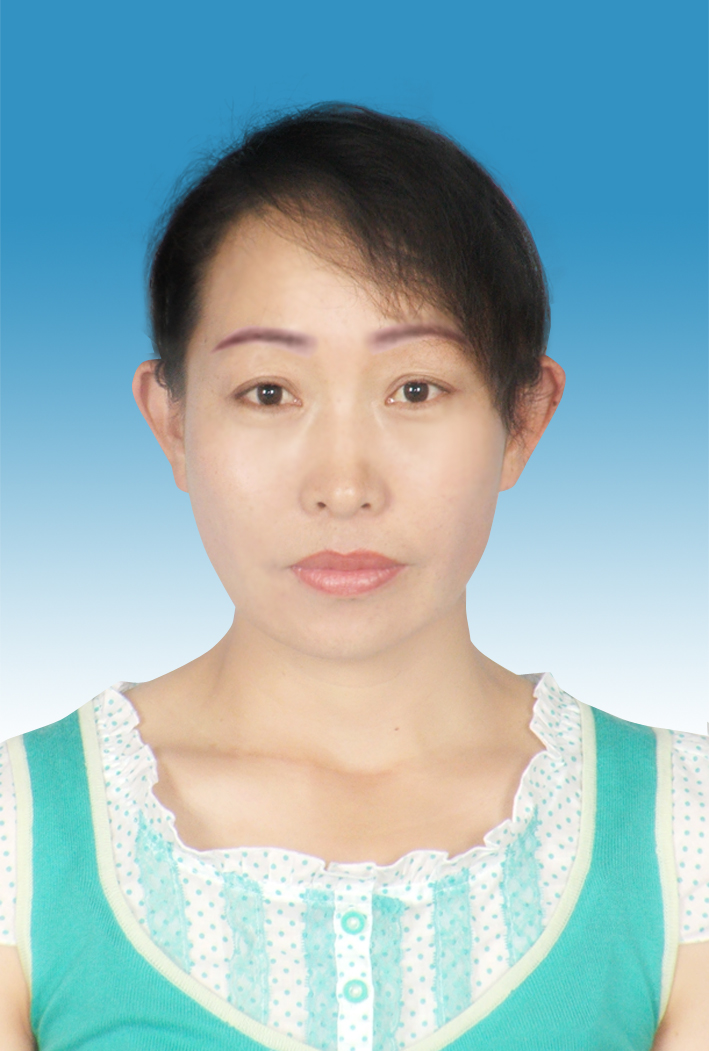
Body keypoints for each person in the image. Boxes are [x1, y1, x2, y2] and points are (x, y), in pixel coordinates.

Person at [0, 103, 707, 1050]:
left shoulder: (682, 831)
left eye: (415, 389)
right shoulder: (20, 831)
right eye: (267, 392)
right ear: (172, 424)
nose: (342, 485)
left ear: (523, 419)